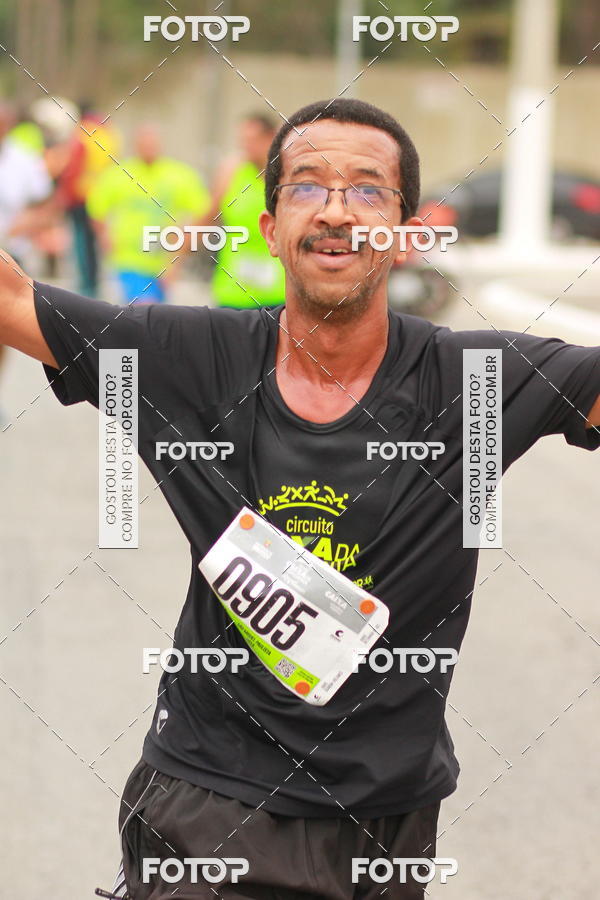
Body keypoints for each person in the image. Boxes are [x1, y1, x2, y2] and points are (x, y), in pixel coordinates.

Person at [1, 98, 599, 899]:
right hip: (206, 805)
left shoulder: (477, 384)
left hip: (386, 827)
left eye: (367, 190)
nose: (337, 211)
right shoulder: (192, 359)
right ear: (271, 224)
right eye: (308, 187)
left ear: (408, 232)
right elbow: (12, 302)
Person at [87, 123, 209, 305]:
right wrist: (104, 236)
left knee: (153, 316)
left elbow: (203, 213)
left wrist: (181, 252)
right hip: (129, 259)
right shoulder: (119, 174)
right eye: (144, 144)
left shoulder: (179, 174)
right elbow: (97, 208)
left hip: (163, 261)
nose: (149, 149)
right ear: (136, 146)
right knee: (144, 306)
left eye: (152, 144)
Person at [0, 101, 53, 426]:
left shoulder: (23, 160)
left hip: (8, 255)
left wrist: (28, 223)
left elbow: (48, 205)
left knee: (2, 332)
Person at [202, 112, 285, 309]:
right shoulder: (231, 172)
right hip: (232, 294)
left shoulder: (287, 176)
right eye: (243, 141)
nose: (246, 147)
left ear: (272, 138)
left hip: (278, 295)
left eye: (253, 140)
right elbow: (206, 218)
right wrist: (175, 260)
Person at [56, 103, 120, 297]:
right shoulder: (109, 135)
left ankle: (86, 283)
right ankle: (94, 281)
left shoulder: (81, 135)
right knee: (95, 241)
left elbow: (73, 168)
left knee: (81, 240)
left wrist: (64, 194)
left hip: (81, 195)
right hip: (102, 195)